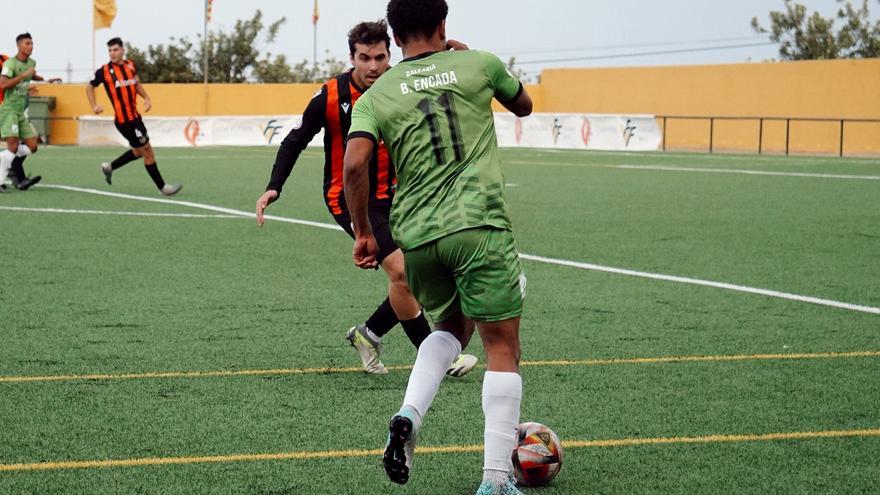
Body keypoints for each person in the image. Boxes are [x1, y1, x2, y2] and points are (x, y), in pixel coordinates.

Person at [342, 1, 533, 493]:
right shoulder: (478, 63)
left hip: (418, 235)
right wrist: (466, 62)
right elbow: (524, 105)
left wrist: (364, 230)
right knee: (502, 347)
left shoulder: (375, 94)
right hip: (479, 225)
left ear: (394, 35)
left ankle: (408, 414)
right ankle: (495, 479)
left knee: (450, 327)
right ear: (443, 24)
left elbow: (355, 166)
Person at [255, 20, 477, 377]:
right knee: (403, 272)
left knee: (418, 273)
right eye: (364, 58)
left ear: (390, 54)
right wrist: (274, 186)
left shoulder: (400, 84)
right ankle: (437, 357)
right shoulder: (329, 96)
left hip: (398, 196)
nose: (373, 66)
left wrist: (451, 56)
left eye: (380, 57)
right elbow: (294, 140)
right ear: (352, 58)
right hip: (349, 198)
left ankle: (368, 333)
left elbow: (433, 76)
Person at [86, 37, 181, 196]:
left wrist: (146, 98)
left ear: (122, 50)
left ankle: (109, 167)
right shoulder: (104, 71)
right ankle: (163, 188)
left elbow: (135, 83)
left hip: (135, 118)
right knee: (147, 150)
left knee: (138, 151)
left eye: (115, 50)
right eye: (110, 50)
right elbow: (89, 87)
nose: (112, 53)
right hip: (124, 121)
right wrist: (94, 105)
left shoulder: (130, 65)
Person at [0, 34, 60, 192]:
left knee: (33, 145)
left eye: (32, 43)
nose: (31, 46)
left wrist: (46, 79)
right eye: (27, 43)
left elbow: (32, 74)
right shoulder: (10, 63)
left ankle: (7, 158)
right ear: (19, 46)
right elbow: (3, 84)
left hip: (20, 112)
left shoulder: (31, 63)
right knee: (12, 146)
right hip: (8, 110)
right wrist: (21, 77)